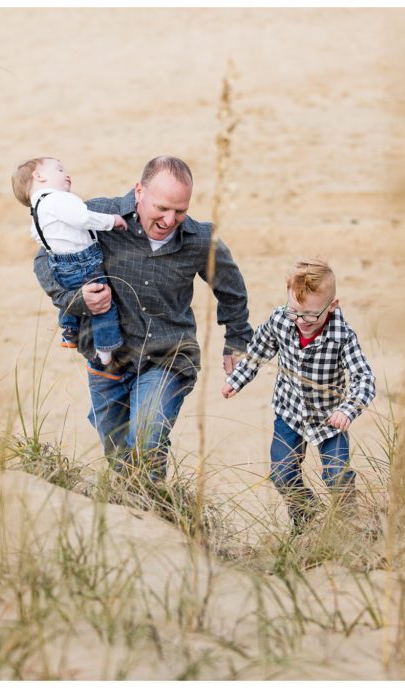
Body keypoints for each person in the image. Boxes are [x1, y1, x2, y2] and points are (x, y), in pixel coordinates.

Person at [34, 155, 253, 482]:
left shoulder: (200, 240)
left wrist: (236, 341)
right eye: (162, 208)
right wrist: (76, 301)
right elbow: (44, 259)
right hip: (107, 359)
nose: (170, 219)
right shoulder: (100, 216)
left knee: (147, 442)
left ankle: (153, 511)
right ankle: (147, 515)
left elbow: (232, 290)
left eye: (180, 210)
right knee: (120, 455)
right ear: (139, 192)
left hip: (168, 357)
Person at [221, 258, 375, 529]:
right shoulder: (280, 320)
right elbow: (258, 352)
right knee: (281, 473)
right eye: (295, 311)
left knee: (336, 475)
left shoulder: (342, 336)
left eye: (311, 315)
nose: (302, 321)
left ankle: (350, 521)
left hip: (329, 419)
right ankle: (308, 518)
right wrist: (238, 379)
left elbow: (364, 379)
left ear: (332, 306)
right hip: (289, 411)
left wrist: (347, 409)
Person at [12, 156, 127, 376]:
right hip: (84, 261)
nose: (66, 174)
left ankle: (69, 328)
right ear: (39, 176)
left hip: (58, 263)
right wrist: (111, 221)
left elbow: (37, 236)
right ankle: (105, 358)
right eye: (59, 169)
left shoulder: (37, 210)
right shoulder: (58, 199)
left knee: (72, 292)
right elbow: (82, 219)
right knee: (103, 305)